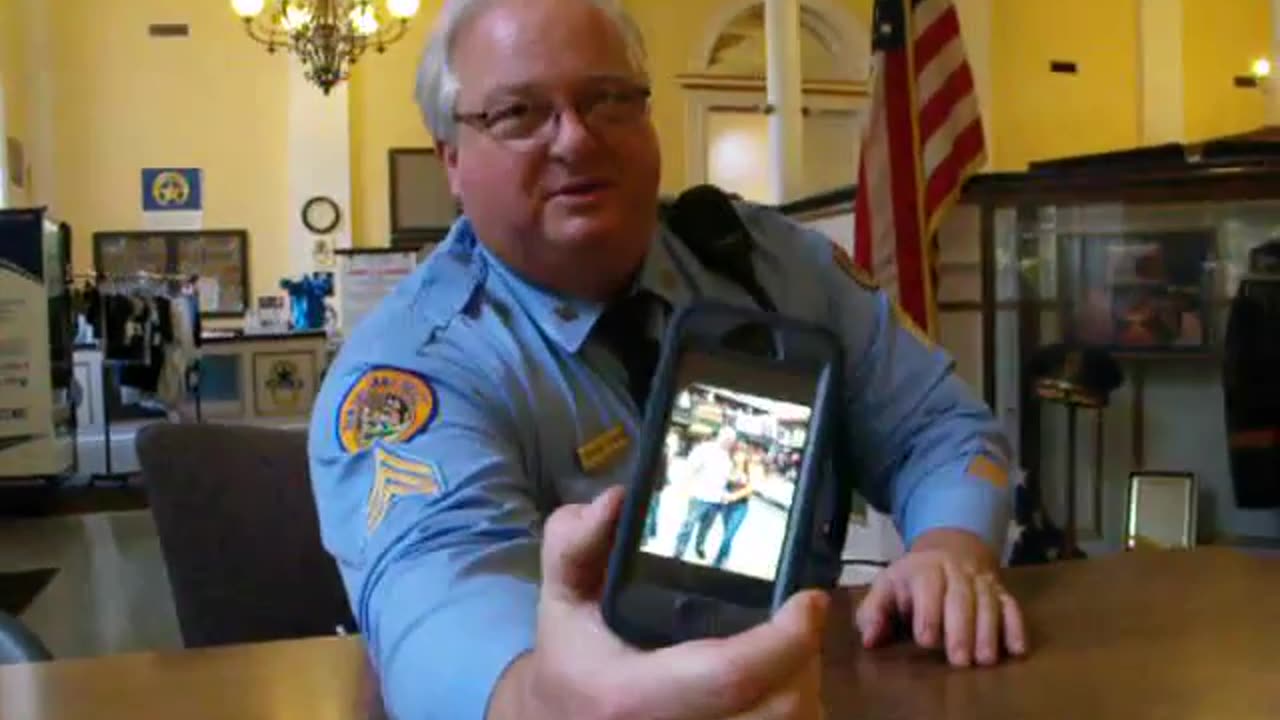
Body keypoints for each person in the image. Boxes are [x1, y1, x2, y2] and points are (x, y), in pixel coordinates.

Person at [307, 0, 1028, 718]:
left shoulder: (776, 270)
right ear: (452, 160)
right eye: (520, 113)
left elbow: (942, 431)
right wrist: (543, 703)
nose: (576, 140)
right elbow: (438, 601)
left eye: (608, 100)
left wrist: (950, 547)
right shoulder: (415, 369)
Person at [673, 426, 737, 561]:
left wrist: (732, 482)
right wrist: (686, 488)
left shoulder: (727, 456)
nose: (730, 443)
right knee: (688, 524)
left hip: (716, 500)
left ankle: (699, 546)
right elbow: (691, 468)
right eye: (729, 439)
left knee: (705, 528)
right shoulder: (705, 449)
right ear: (721, 436)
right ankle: (679, 551)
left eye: (732, 441)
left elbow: (723, 477)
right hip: (699, 496)